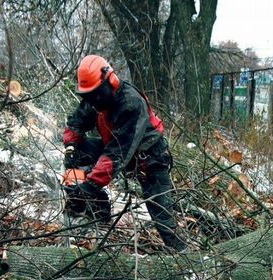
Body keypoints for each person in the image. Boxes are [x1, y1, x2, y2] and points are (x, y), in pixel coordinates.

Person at [61, 54, 187, 252]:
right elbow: (76, 122)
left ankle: (186, 257)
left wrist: (89, 185)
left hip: (149, 160)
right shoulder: (95, 97)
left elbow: (116, 154)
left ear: (110, 80)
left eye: (96, 94)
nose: (94, 101)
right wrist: (71, 147)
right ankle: (98, 214)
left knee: (162, 218)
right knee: (80, 151)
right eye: (89, 96)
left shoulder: (131, 103)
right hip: (115, 149)